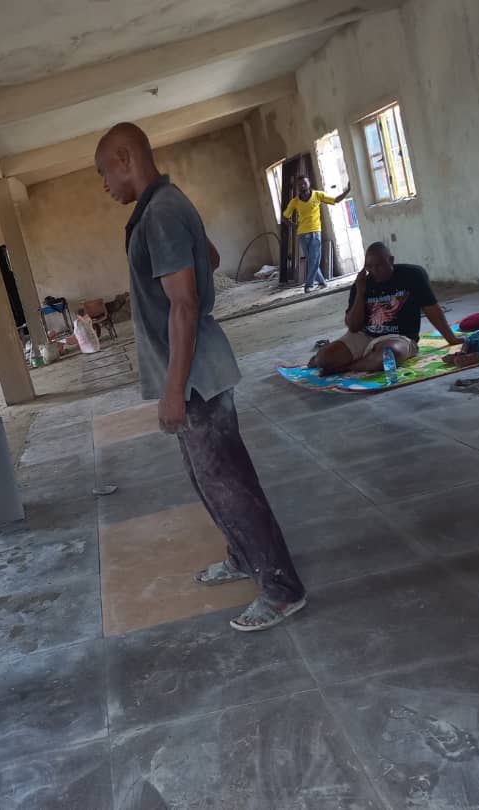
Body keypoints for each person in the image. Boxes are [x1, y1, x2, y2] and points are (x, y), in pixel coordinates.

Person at [94, 122, 306, 632]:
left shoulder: (161, 212)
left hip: (194, 375)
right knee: (208, 477)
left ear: (125, 158)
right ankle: (241, 555)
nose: (104, 184)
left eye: (104, 172)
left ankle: (282, 590)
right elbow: (208, 257)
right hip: (193, 370)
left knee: (228, 482)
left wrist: (172, 391)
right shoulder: (164, 206)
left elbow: (184, 304)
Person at [310, 242, 463, 375]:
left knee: (389, 355)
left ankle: (346, 367)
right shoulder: (362, 284)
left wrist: (451, 339)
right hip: (364, 336)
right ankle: (363, 362)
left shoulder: (413, 275)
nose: (375, 271)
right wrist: (360, 292)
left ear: (391, 260)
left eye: (379, 265)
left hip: (398, 337)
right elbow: (353, 326)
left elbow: (431, 309)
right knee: (324, 359)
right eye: (369, 267)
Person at [282, 175, 351, 292]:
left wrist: (347, 191)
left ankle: (308, 285)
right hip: (302, 234)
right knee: (312, 260)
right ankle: (322, 282)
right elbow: (285, 217)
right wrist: (294, 226)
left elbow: (335, 200)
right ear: (297, 187)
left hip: (315, 232)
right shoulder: (295, 201)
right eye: (299, 185)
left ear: (309, 183)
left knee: (315, 260)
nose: (302, 186)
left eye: (304, 183)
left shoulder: (318, 195)